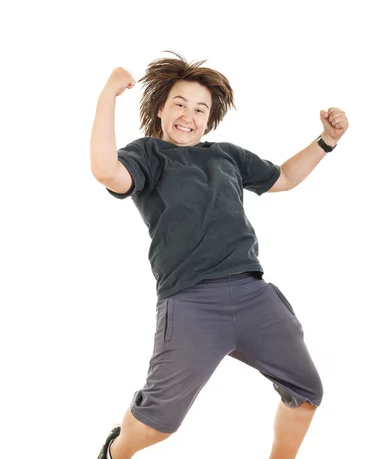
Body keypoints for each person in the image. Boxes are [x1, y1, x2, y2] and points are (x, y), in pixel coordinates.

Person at [91, 51, 349, 459]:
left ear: (208, 119)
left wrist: (326, 141)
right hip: (191, 302)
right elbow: (107, 171)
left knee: (306, 392)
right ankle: (116, 451)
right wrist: (108, 95)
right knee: (159, 423)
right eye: (179, 103)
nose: (187, 115)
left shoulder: (225, 155)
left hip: (253, 295)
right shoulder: (148, 155)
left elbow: (284, 178)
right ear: (160, 109)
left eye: (199, 109)